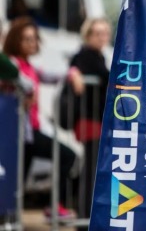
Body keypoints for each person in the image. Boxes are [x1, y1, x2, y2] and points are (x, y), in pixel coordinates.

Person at [2, 16, 78, 220]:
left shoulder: (28, 65)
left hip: (29, 133)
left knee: (17, 182)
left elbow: (48, 75)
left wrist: (71, 72)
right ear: (15, 40)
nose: (31, 43)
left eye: (34, 38)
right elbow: (20, 84)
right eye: (26, 38)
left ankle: (50, 207)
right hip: (17, 133)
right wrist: (25, 93)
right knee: (14, 182)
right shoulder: (11, 63)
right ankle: (50, 207)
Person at [62, 18, 112, 224]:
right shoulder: (85, 55)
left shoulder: (98, 55)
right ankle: (84, 216)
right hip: (89, 120)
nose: (102, 38)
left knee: (92, 167)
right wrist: (74, 74)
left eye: (105, 33)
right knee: (91, 169)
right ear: (88, 35)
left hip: (95, 119)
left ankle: (86, 214)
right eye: (97, 33)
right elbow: (78, 69)